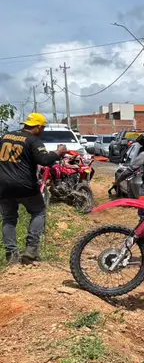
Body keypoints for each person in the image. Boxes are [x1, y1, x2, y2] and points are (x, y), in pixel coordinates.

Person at [0, 113, 66, 264]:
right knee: (38, 211)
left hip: (2, 186)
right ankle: (31, 250)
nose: (42, 131)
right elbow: (44, 159)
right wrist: (58, 152)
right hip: (25, 185)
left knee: (8, 219)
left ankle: (11, 254)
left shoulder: (5, 136)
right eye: (42, 128)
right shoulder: (33, 140)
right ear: (37, 127)